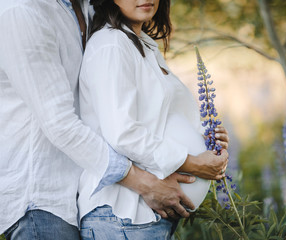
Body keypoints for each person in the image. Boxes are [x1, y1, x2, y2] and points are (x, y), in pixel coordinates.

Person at [0, 0, 222, 239]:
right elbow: (61, 125)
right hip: (42, 199)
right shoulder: (22, 11)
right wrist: (164, 174)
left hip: (85, 192)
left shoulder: (87, 10)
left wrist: (202, 141)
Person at [77, 0, 230, 239]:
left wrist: (206, 139)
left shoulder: (141, 43)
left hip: (143, 218)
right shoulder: (111, 44)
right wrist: (193, 163)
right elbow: (122, 132)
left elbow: (155, 119)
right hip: (123, 214)